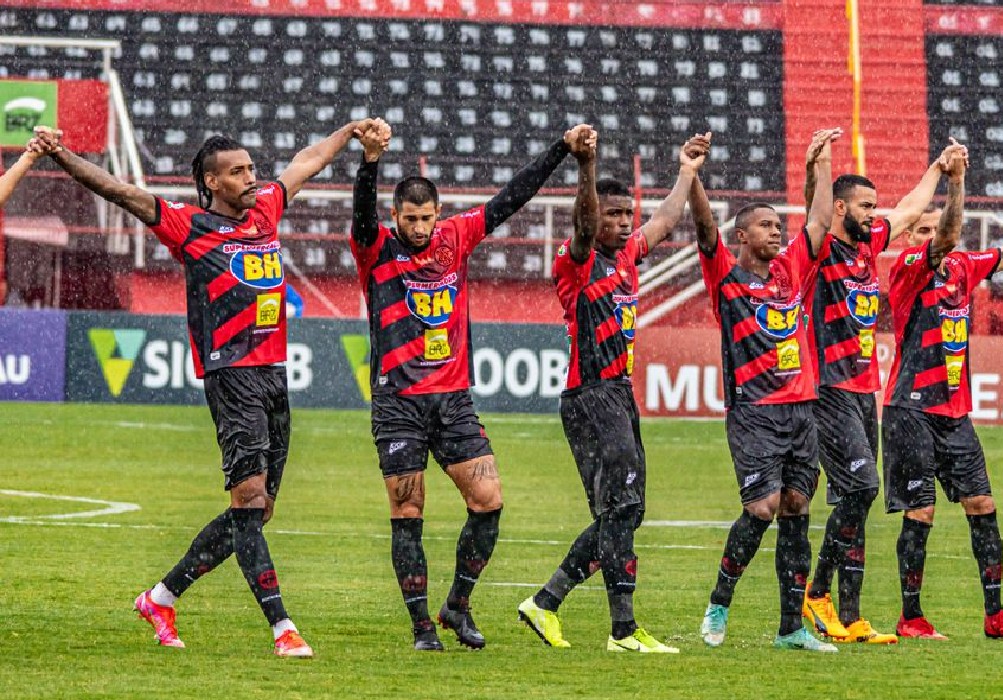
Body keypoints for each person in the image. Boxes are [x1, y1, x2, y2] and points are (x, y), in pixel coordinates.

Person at [32, 119, 379, 657]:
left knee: (257, 511)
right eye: (238, 172)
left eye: (251, 169)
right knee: (247, 503)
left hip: (274, 375)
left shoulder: (265, 207)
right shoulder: (188, 226)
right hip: (231, 375)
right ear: (212, 182)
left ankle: (161, 597)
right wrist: (62, 155)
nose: (251, 178)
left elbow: (306, 161)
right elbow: (118, 190)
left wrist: (349, 132)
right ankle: (282, 628)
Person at [350, 120, 592, 651]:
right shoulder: (377, 249)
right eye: (409, 219)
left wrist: (561, 149)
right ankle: (420, 630)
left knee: (488, 501)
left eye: (425, 218)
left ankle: (456, 606)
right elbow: (361, 215)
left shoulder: (455, 238)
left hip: (453, 401)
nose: (418, 228)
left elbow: (512, 197)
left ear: (438, 215)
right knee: (407, 512)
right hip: (398, 405)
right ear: (395, 217)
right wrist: (369, 162)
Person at [517, 132, 710, 654]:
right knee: (622, 508)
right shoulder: (576, 260)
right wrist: (587, 166)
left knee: (623, 513)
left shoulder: (626, 256)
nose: (625, 223)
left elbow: (667, 220)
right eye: (615, 214)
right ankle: (621, 630)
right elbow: (582, 225)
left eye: (628, 214)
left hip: (618, 394)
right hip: (590, 394)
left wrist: (687, 171)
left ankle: (547, 602)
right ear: (593, 215)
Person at [882, 169, 1003, 642]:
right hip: (910, 409)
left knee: (982, 504)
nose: (934, 237)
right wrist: (956, 183)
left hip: (954, 412)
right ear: (911, 237)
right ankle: (911, 617)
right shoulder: (909, 268)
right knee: (921, 512)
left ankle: (995, 614)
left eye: (937, 230)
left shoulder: (964, 265)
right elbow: (947, 233)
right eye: (924, 230)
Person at [799, 140, 968, 644]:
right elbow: (816, 207)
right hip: (827, 387)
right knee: (863, 489)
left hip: (861, 390)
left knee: (858, 501)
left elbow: (913, 208)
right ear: (842, 208)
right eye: (866, 207)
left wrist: (938, 168)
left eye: (876, 207)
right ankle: (817, 592)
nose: (875, 215)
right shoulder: (820, 249)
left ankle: (850, 618)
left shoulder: (868, 247)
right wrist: (820, 165)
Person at [689, 128, 840, 652]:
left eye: (779, 225)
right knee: (762, 509)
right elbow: (705, 227)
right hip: (754, 412)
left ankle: (790, 628)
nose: (777, 233)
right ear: (742, 236)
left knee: (797, 507)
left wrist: (820, 164)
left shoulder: (793, 272)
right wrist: (694, 176)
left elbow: (820, 222)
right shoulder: (726, 278)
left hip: (802, 412)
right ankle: (718, 605)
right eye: (766, 226)